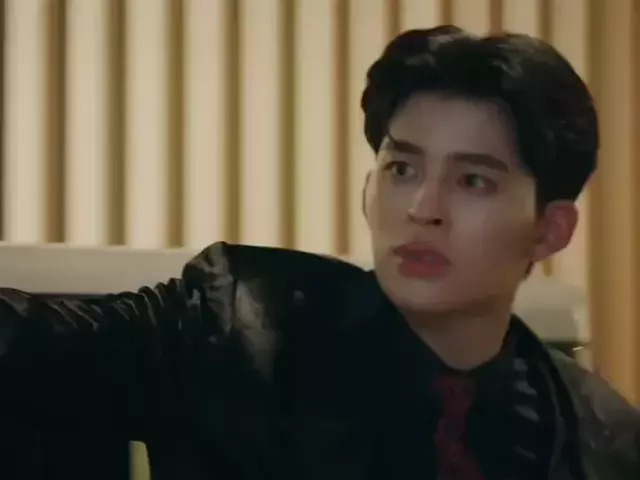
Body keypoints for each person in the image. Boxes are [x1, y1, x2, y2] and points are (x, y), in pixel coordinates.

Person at [0, 25, 638, 480]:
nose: (423, 208)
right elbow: (31, 340)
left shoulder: (604, 437)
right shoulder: (242, 324)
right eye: (402, 169)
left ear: (550, 230)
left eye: (472, 181)